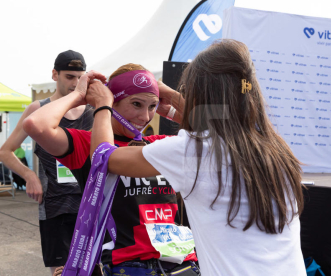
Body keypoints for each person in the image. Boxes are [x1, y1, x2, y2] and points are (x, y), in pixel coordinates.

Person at [86, 39, 307, 276]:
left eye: (187, 91)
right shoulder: (274, 147)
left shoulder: (193, 150)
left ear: (199, 95)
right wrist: (172, 96)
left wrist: (102, 105)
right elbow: (216, 124)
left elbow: (103, 158)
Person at [23, 64, 199, 276]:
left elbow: (218, 134)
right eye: (136, 104)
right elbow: (35, 124)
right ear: (112, 101)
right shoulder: (86, 144)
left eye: (152, 106)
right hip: (127, 267)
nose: (145, 117)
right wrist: (82, 95)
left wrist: (169, 97)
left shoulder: (159, 144)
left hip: (182, 263)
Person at [0, 50, 93, 275]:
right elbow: (6, 151)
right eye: (69, 77)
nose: (75, 83)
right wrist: (30, 176)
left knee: (94, 270)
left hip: (89, 204)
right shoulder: (39, 109)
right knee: (62, 272)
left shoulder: (93, 111)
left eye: (79, 77)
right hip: (54, 206)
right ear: (55, 75)